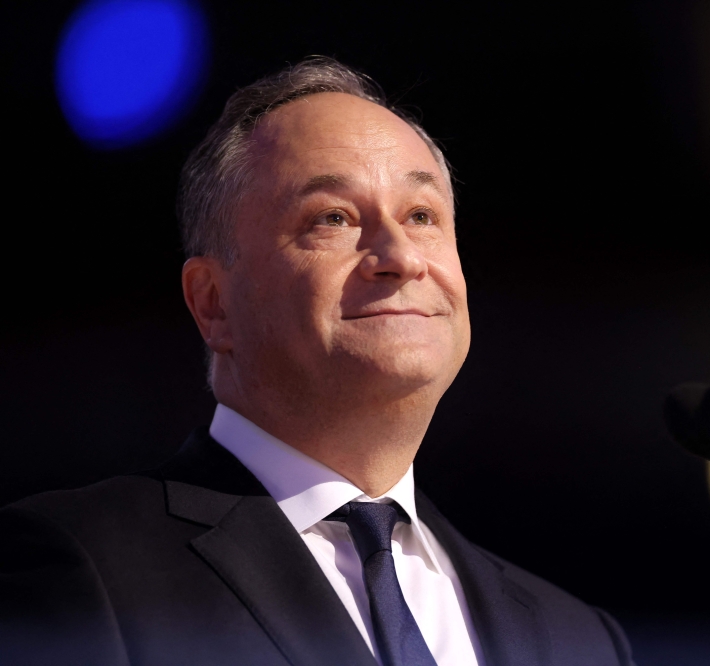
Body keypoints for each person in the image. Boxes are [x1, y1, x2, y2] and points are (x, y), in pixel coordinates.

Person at [0, 57, 634, 666]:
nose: (401, 255)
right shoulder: (85, 567)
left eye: (422, 216)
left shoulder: (582, 640)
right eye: (333, 217)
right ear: (214, 303)